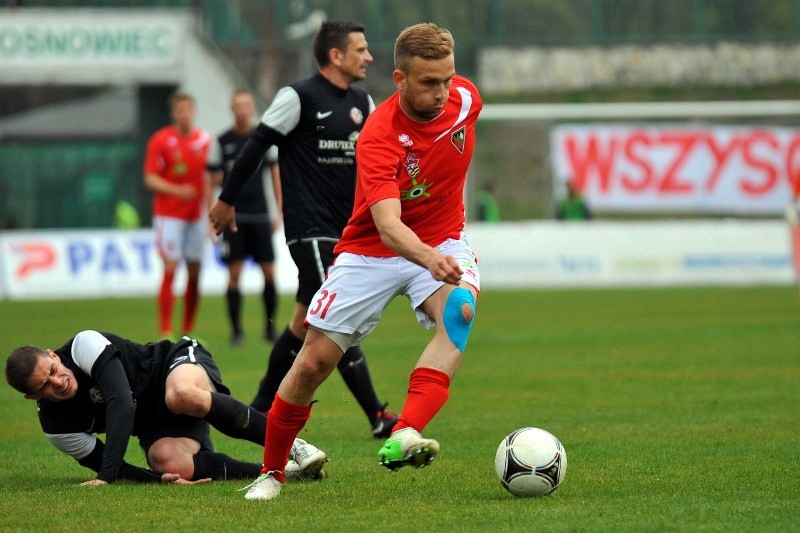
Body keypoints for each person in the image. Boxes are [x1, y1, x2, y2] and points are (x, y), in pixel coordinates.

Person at [238, 22, 483, 501]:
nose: (442, 92)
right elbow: (389, 226)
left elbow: (452, 129)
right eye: (429, 83)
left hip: (443, 239)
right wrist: (428, 258)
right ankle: (272, 472)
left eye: (448, 79)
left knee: (459, 313)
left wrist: (437, 253)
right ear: (399, 80)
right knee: (312, 363)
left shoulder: (467, 100)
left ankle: (405, 431)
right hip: (374, 249)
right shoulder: (378, 135)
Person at [209, 20, 397, 439]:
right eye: (361, 49)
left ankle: (256, 409)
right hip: (310, 230)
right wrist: (226, 199)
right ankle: (378, 416)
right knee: (337, 317)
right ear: (336, 55)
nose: (368, 57)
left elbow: (376, 164)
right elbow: (256, 145)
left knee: (301, 325)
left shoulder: (363, 103)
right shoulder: (297, 97)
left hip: (348, 232)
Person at [4, 330, 328, 485]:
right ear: (33, 398)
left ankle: (294, 445)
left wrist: (104, 478)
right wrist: (159, 479)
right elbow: (111, 463)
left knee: (181, 395)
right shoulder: (56, 427)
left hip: (175, 366)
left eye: (52, 370)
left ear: (53, 355)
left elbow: (120, 402)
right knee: (167, 460)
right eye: (44, 386)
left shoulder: (83, 344)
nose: (56, 381)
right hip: (160, 425)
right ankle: (282, 471)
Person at [208, 90, 282, 347]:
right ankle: (237, 331)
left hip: (261, 214)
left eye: (246, 105)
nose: (242, 109)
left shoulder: (262, 139)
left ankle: (270, 328)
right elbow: (212, 179)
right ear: (232, 108)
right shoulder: (222, 141)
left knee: (269, 272)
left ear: (252, 108)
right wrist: (211, 214)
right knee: (234, 274)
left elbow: (274, 174)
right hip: (233, 218)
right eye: (237, 105)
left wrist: (279, 210)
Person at [144, 91, 212, 339]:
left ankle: (189, 329)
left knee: (195, 270)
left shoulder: (204, 141)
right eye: (179, 110)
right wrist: (177, 190)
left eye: (188, 109)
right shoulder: (161, 140)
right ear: (174, 113)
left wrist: (211, 209)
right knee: (170, 266)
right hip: (169, 215)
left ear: (194, 112)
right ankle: (165, 330)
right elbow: (150, 178)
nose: (184, 114)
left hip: (196, 216)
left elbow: (210, 178)